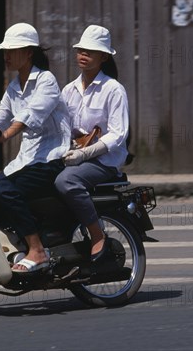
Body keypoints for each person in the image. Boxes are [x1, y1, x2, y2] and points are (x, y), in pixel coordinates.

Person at [0, 22, 71, 273]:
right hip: (27, 161)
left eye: (13, 50)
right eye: (5, 51)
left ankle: (37, 250)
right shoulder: (13, 88)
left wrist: (8, 133)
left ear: (29, 52)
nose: (6, 56)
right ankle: (14, 242)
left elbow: (32, 113)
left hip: (52, 159)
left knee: (4, 188)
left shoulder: (46, 81)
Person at [54, 25, 130, 262]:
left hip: (105, 161)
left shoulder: (113, 89)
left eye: (91, 51)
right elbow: (63, 127)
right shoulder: (69, 90)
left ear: (104, 57)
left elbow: (118, 134)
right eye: (81, 50)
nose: (83, 55)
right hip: (75, 156)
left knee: (66, 181)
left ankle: (97, 235)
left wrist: (84, 154)